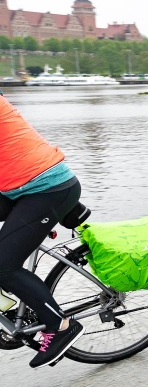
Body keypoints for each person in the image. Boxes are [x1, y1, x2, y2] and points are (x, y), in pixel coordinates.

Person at [0, 93, 84, 368]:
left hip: (47, 190)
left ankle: (59, 325)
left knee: (3, 265)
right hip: (18, 188)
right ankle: (10, 301)